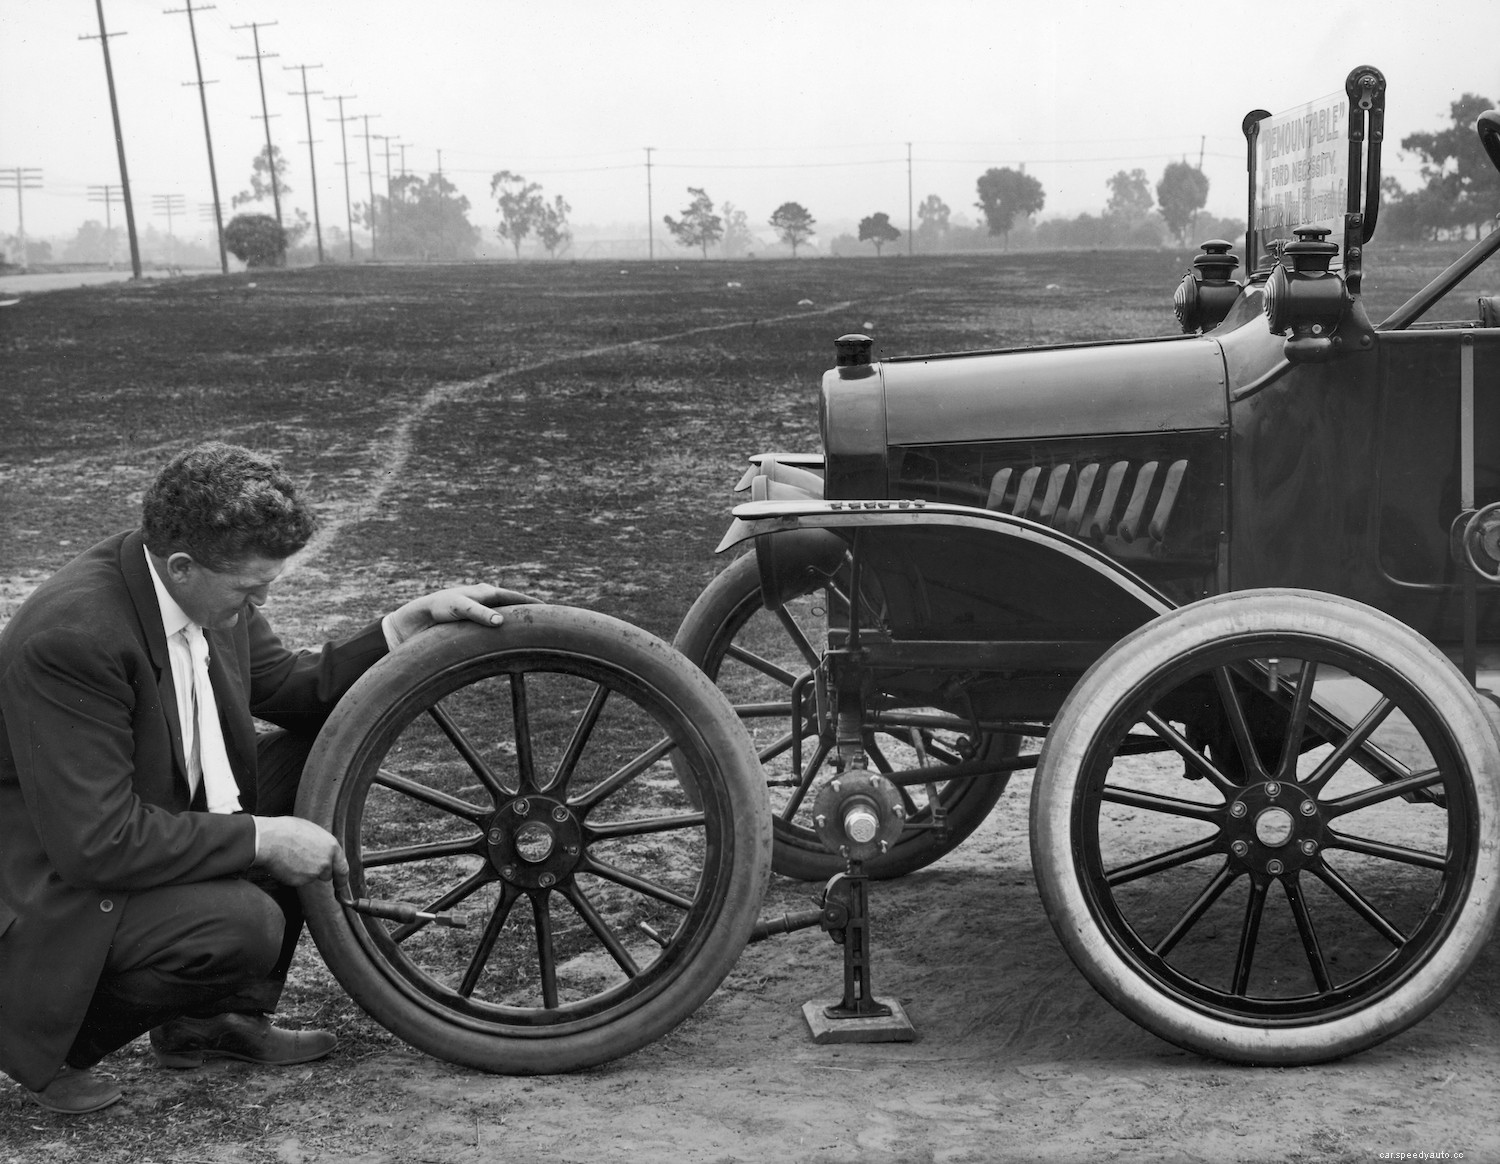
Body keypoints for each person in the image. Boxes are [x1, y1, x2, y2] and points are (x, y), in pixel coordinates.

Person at [0, 441, 510, 1114]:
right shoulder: (73, 638)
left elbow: (294, 688)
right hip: (52, 892)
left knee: (317, 760)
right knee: (244, 926)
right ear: (182, 567)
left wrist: (401, 626)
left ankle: (211, 1024)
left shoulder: (191, 586)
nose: (263, 596)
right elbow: (95, 843)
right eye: (249, 586)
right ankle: (44, 1041)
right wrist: (263, 839)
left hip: (132, 831)